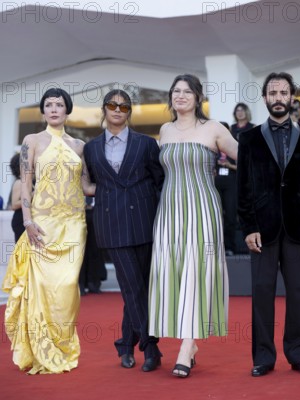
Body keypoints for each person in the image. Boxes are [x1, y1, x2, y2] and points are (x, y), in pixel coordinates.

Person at [148, 74, 237, 378]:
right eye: (176, 91)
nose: (181, 96)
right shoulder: (165, 130)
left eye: (187, 91)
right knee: (173, 272)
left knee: (198, 271)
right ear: (170, 97)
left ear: (198, 97)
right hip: (170, 210)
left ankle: (187, 345)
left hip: (202, 209)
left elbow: (248, 159)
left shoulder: (213, 129)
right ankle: (187, 339)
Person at [3, 87, 95, 374]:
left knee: (68, 287)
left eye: (59, 104)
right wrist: (28, 221)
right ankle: (42, 349)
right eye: (48, 105)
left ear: (67, 110)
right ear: (43, 111)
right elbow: (26, 184)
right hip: (42, 224)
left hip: (73, 225)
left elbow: (87, 187)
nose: (54, 109)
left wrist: (123, 184)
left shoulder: (79, 146)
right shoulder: (31, 141)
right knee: (42, 287)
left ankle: (63, 345)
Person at [237, 72, 300, 377]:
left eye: (283, 92)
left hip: (299, 228)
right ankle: (263, 356)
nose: (278, 98)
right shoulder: (247, 138)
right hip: (262, 228)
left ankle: (299, 354)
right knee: (262, 292)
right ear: (265, 99)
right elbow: (243, 187)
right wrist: (248, 227)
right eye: (272, 93)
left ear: (291, 97)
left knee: (299, 293)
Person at [84, 89, 164, 372]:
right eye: (112, 105)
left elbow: (160, 181)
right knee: (132, 285)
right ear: (104, 109)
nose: (118, 110)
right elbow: (91, 182)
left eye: (124, 106)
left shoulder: (146, 144)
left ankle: (126, 345)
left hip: (144, 220)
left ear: (129, 111)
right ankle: (151, 346)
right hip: (111, 222)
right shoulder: (91, 148)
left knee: (138, 287)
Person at [215, 103, 254, 256]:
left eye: (242, 110)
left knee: (231, 214)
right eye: (236, 110)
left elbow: (247, 163)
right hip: (217, 180)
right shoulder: (218, 142)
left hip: (234, 180)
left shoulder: (250, 130)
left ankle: (231, 247)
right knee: (216, 216)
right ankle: (218, 247)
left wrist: (229, 165)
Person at [8, 153, 25, 242]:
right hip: (21, 220)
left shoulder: (30, 181)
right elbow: (14, 205)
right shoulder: (19, 182)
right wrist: (34, 193)